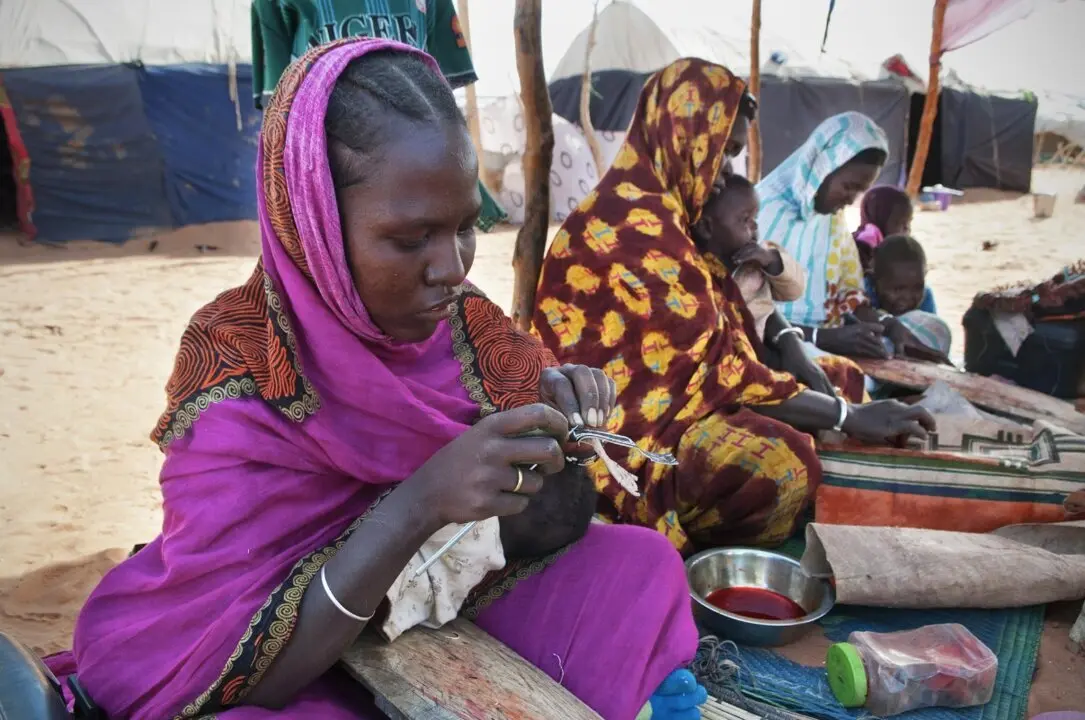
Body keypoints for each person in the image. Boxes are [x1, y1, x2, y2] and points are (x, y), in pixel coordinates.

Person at [44, 40, 703, 720]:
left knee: (639, 566)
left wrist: (556, 429)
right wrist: (419, 503)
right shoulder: (239, 369)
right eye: (411, 237)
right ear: (316, 224)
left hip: (429, 605)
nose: (451, 268)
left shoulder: (468, 328)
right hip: (295, 659)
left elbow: (552, 523)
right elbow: (257, 675)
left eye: (466, 227)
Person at [531, 58, 935, 555]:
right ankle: (704, 555)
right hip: (630, 435)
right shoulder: (631, 233)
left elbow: (736, 311)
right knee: (781, 466)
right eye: (722, 154)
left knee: (841, 375)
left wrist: (791, 345)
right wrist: (847, 417)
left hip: (696, 390)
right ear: (682, 135)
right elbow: (720, 372)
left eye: (734, 157)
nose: (726, 175)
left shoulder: (676, 211)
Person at [251, 0, 506, 231]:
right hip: (332, 158)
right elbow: (279, 104)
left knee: (423, 238)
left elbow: (439, 91)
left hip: (419, 150)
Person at [757, 112, 942, 362]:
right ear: (822, 169)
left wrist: (888, 326)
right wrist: (822, 338)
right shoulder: (761, 213)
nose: (851, 199)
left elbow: (848, 292)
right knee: (822, 366)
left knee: (933, 330)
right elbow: (743, 311)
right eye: (848, 187)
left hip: (834, 336)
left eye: (860, 191)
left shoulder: (832, 220)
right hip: (777, 339)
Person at [691, 174, 804, 345]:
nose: (755, 226)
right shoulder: (696, 266)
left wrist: (771, 261)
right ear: (706, 227)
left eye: (755, 218)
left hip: (766, 345)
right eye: (745, 220)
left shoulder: (758, 262)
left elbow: (794, 290)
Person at [864, 235, 951, 358]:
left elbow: (927, 335)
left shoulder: (926, 296)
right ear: (875, 280)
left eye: (917, 288)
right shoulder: (863, 293)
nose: (908, 297)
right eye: (898, 289)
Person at [852, 185, 914, 275]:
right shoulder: (866, 241)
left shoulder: (889, 242)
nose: (907, 229)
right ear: (880, 218)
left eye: (908, 222)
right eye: (901, 223)